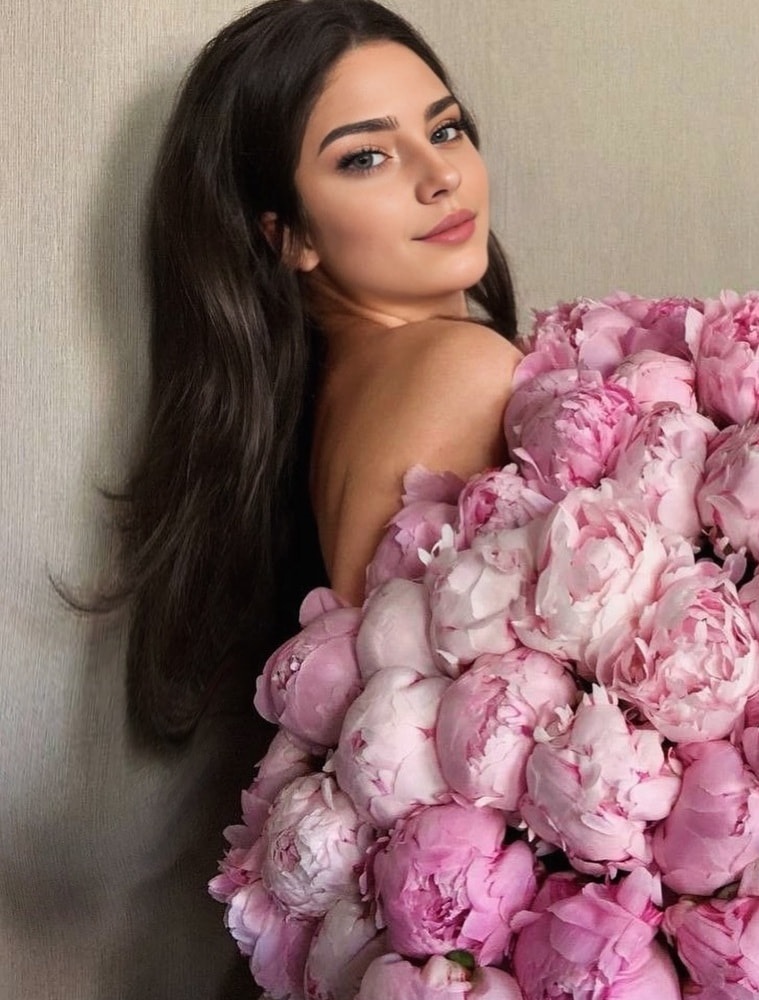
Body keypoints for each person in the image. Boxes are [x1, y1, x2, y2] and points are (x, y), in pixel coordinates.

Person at [112, 0, 525, 749]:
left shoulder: (339, 394)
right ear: (290, 235)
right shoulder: (461, 368)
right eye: (366, 157)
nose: (440, 177)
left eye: (445, 129)